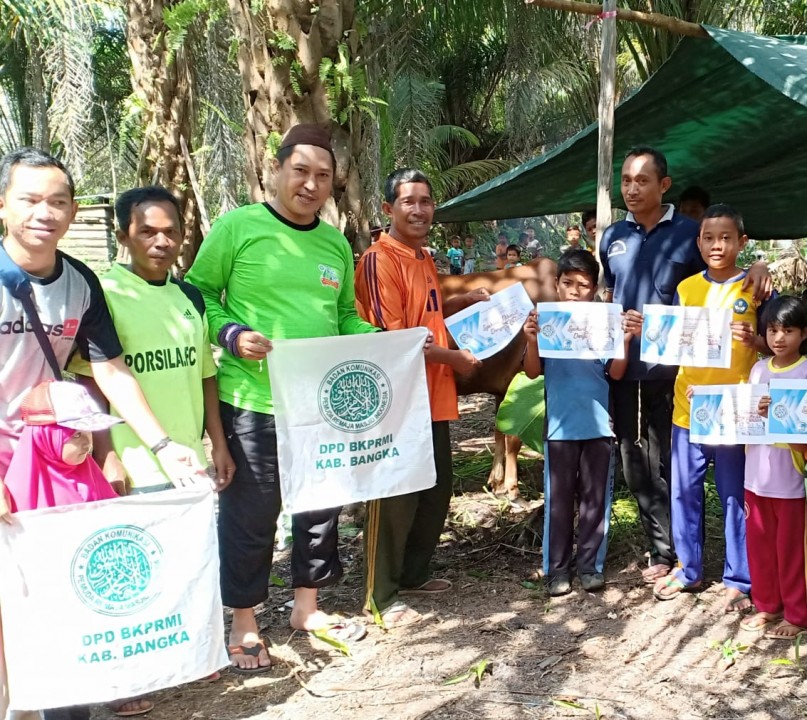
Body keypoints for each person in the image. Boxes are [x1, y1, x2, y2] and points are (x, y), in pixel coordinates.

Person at [185, 124, 373, 673]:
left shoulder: (335, 243)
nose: (311, 185)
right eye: (301, 172)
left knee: (319, 506)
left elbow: (343, 318)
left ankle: (306, 609)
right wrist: (230, 335)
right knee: (251, 513)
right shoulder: (239, 227)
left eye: (323, 177)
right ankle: (243, 620)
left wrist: (389, 343)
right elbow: (198, 292)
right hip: (252, 400)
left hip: (321, 404)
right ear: (276, 171)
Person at [600, 146, 770, 584]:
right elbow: (617, 298)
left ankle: (733, 574)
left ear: (664, 184)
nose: (633, 188)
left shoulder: (692, 238)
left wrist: (762, 266)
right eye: (626, 180)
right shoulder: (615, 238)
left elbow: (743, 296)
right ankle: (675, 560)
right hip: (655, 382)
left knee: (714, 486)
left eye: (642, 180)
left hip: (707, 391)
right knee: (650, 470)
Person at [354, 168, 489, 628]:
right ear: (388, 209)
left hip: (431, 397)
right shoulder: (379, 260)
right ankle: (380, 593)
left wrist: (461, 300)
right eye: (408, 201)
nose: (419, 209)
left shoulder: (422, 257)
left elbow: (424, 311)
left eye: (426, 201)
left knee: (434, 491)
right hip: (395, 402)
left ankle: (412, 575)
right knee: (394, 498)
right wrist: (455, 359)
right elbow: (392, 341)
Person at [70, 186, 235, 496]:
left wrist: (218, 446)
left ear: (183, 234)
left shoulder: (190, 297)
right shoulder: (102, 295)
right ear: (123, 236)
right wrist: (106, 456)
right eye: (147, 232)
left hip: (189, 463)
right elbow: (89, 383)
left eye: (170, 232)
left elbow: (206, 377)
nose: (162, 242)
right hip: (134, 468)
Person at [651, 205, 764, 611]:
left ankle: (738, 578)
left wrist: (755, 341)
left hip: (736, 411)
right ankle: (689, 568)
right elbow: (669, 342)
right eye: (709, 238)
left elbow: (774, 345)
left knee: (734, 495)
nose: (717, 245)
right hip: (689, 407)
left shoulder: (754, 288)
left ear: (742, 243)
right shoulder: (685, 289)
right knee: (683, 491)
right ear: (698, 242)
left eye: (726, 238)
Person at [4, 381, 124, 720]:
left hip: (87, 613)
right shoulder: (17, 493)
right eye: (75, 435)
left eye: (89, 434)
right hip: (47, 620)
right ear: (46, 437)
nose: (87, 444)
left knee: (81, 698)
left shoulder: (90, 474)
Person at [523, 250, 636, 596]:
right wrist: (530, 339)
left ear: (595, 290)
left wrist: (624, 341)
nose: (575, 291)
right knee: (558, 502)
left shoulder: (602, 326)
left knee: (594, 501)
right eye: (568, 283)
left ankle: (590, 567)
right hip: (559, 430)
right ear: (556, 286)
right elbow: (531, 371)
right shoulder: (546, 323)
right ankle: (557, 570)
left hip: (600, 428)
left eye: (583, 285)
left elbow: (615, 372)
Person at [741, 296, 807, 639]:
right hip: (755, 476)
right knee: (760, 544)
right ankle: (767, 605)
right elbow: (741, 416)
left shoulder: (805, 370)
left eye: (788, 330)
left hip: (792, 479)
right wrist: (709, 404)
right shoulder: (758, 369)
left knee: (792, 549)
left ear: (804, 333)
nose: (779, 338)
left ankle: (797, 614)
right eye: (772, 330)